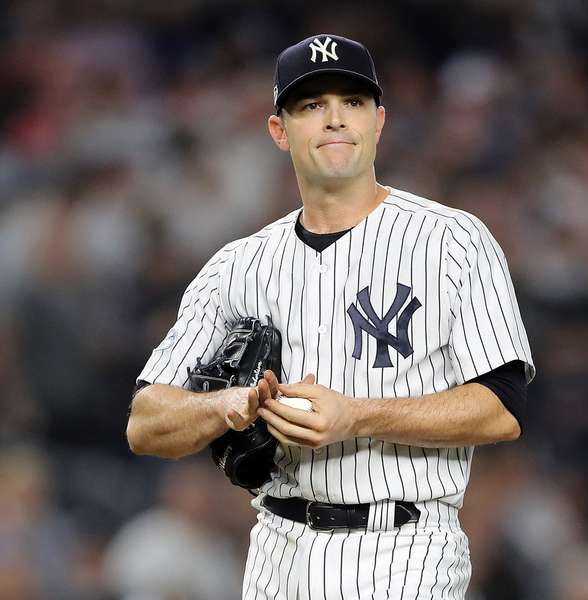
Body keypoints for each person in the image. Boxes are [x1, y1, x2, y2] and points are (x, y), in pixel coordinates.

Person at [126, 33, 534, 599]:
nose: (335, 118)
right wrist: (223, 405)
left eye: (353, 102)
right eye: (313, 104)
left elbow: (502, 408)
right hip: (276, 548)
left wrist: (358, 416)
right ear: (279, 130)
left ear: (378, 122)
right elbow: (145, 422)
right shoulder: (237, 267)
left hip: (404, 547)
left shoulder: (451, 241)